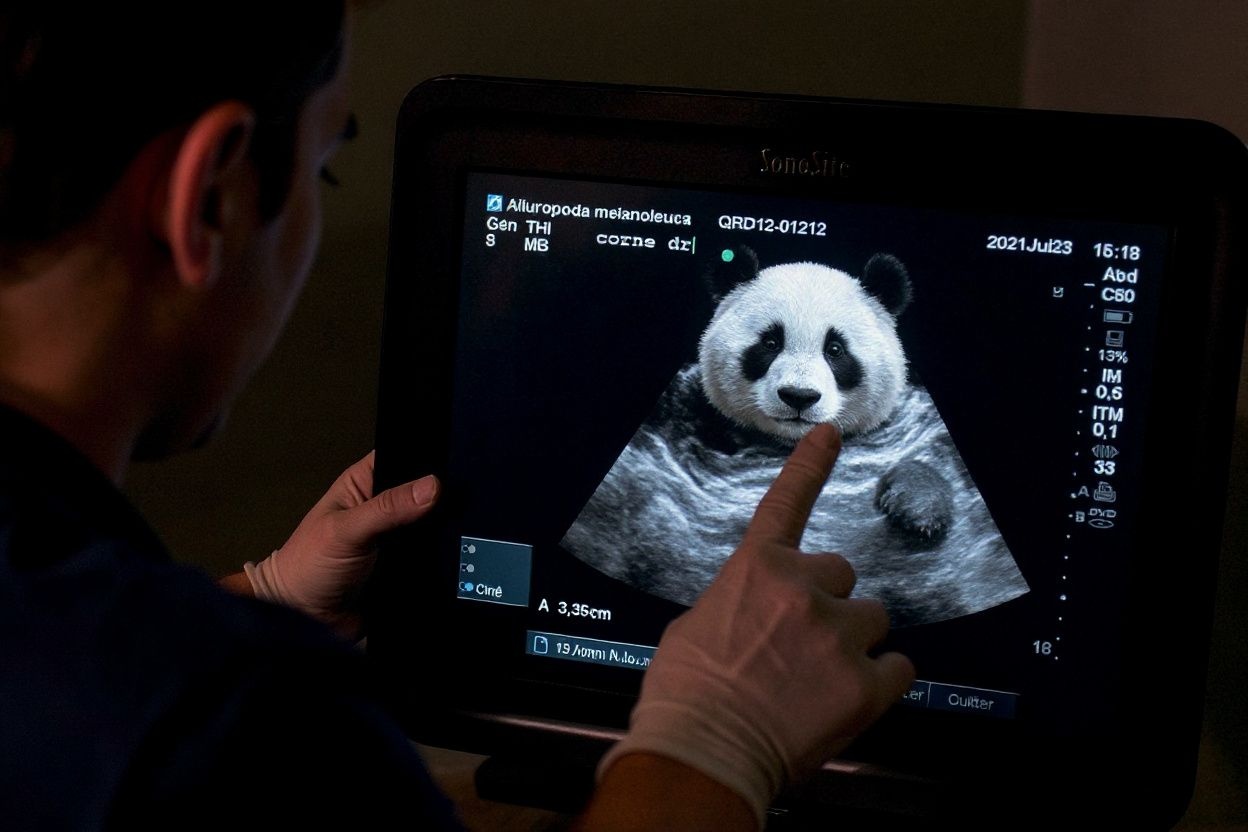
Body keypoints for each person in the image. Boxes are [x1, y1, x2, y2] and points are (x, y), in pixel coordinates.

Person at [0, 3, 913, 829]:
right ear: (210, 198)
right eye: (327, 168)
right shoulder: (237, 720)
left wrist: (254, 601)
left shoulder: (168, 685)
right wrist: (712, 747)